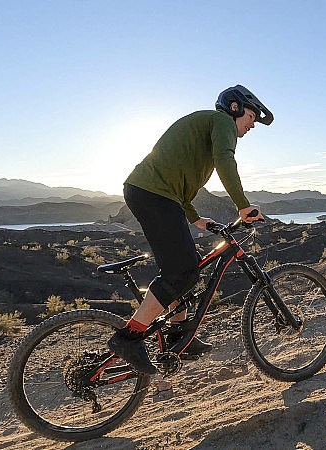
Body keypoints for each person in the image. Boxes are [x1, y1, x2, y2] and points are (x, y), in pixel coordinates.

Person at [107, 85, 273, 374]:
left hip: (154, 194)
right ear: (235, 109)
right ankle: (129, 338)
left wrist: (197, 219)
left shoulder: (206, 135)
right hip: (152, 193)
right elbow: (226, 161)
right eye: (251, 116)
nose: (252, 124)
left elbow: (181, 191)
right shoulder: (221, 123)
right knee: (182, 272)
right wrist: (242, 206)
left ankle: (178, 332)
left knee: (188, 265)